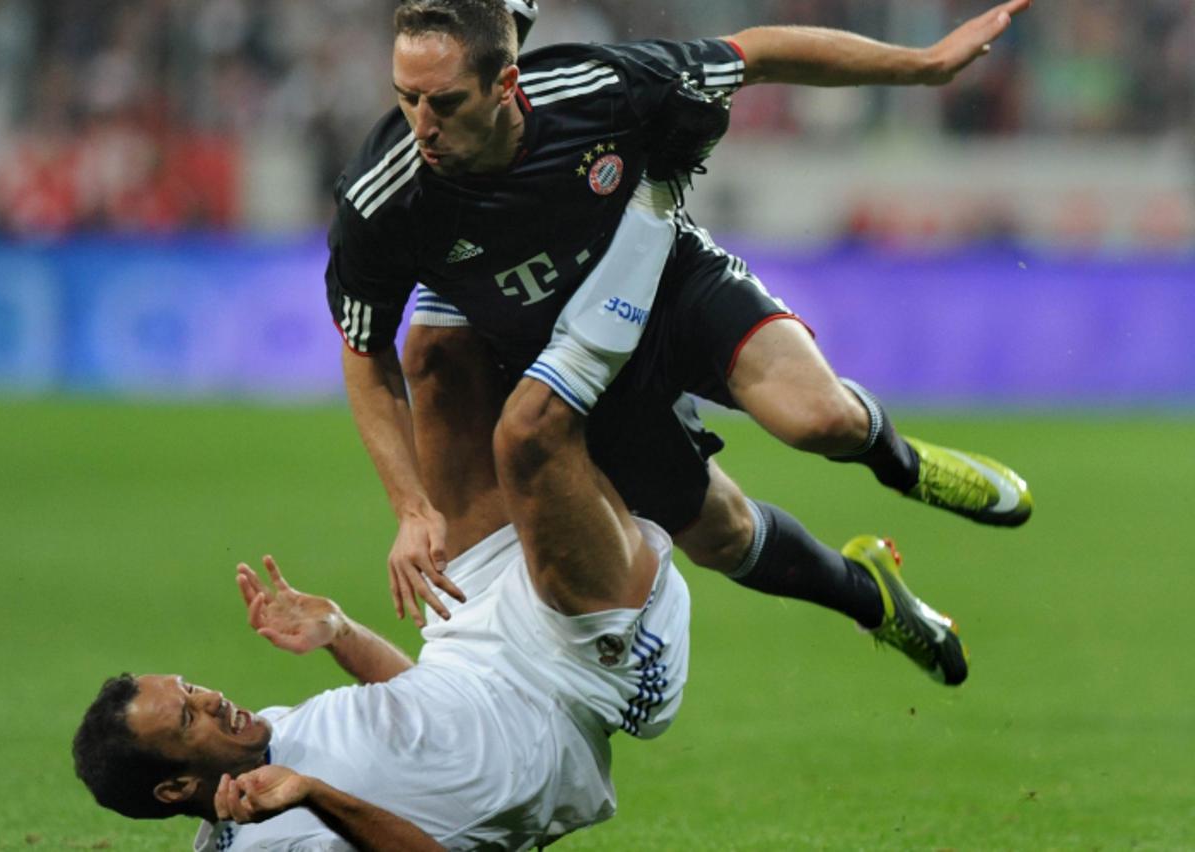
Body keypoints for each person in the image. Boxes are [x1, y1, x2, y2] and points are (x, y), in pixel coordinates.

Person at [328, 0, 1034, 685]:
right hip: (577, 368)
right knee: (723, 539)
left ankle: (904, 466)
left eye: (444, 103)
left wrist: (923, 67)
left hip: (675, 289)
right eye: (406, 97)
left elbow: (752, 54)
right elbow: (365, 350)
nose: (421, 124)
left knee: (822, 418)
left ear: (505, 84)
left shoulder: (597, 89)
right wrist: (413, 509)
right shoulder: (384, 199)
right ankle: (874, 599)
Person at [72, 419, 691, 848]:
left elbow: (420, 706)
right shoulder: (274, 835)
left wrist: (339, 632)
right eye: (187, 719)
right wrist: (313, 795)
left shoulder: (264, 741)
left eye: (190, 688)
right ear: (177, 786)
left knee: (440, 364)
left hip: (489, 659)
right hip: (566, 698)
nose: (210, 700)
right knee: (537, 444)